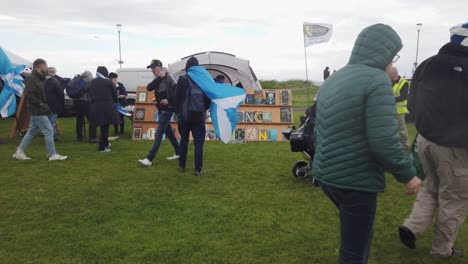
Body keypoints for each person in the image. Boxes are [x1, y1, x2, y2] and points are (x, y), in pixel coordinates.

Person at [312, 24, 421, 263]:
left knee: (358, 237)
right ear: (383, 53)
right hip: (356, 181)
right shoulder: (377, 81)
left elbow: (321, 128)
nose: (392, 62)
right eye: (392, 56)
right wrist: (408, 175)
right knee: (354, 252)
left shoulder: (334, 79)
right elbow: (384, 141)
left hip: (328, 176)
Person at [398, 22, 468, 258]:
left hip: (425, 140)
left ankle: (412, 226)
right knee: (454, 198)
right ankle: (442, 250)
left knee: (431, 188)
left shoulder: (426, 65)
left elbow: (412, 104)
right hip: (456, 147)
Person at [12, 59, 68, 161]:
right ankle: (52, 155)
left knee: (31, 132)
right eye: (45, 65)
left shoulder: (38, 78)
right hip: (38, 110)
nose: (46, 68)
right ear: (40, 66)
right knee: (49, 130)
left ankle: (19, 152)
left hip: (38, 109)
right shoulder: (32, 78)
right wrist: (42, 105)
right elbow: (31, 96)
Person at [138, 59, 180, 166]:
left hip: (167, 109)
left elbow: (178, 91)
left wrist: (169, 100)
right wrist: (160, 78)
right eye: (151, 68)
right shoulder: (158, 78)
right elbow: (149, 87)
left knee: (158, 134)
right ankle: (179, 152)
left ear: (160, 67)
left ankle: (149, 159)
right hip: (161, 109)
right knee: (169, 133)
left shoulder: (169, 77)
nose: (152, 70)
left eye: (153, 67)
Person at [174, 57, 211, 175]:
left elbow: (176, 99)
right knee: (198, 143)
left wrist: (179, 112)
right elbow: (207, 99)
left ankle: (182, 165)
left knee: (184, 141)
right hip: (198, 116)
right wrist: (202, 110)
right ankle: (198, 169)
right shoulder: (202, 79)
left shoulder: (182, 79)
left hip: (184, 117)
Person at [89, 66, 120, 152]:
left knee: (103, 126)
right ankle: (102, 147)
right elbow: (115, 96)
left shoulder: (92, 82)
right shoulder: (108, 82)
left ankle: (106, 143)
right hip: (107, 107)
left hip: (95, 106)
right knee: (105, 128)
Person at [386, 66, 410, 150]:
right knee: (391, 129)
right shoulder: (389, 82)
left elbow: (403, 96)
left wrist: (389, 99)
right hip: (390, 110)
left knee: (401, 129)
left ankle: (405, 145)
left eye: (389, 74)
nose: (387, 75)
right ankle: (395, 144)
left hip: (399, 111)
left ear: (395, 73)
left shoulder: (403, 82)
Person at [73, 70, 98, 143]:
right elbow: (92, 91)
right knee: (92, 119)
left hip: (76, 102)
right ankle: (92, 137)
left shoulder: (78, 79)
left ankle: (79, 137)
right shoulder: (90, 80)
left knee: (79, 120)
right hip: (86, 101)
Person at [44, 66, 64, 141]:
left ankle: (49, 135)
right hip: (53, 104)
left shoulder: (41, 80)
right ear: (54, 73)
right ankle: (52, 137)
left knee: (46, 121)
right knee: (52, 121)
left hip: (43, 104)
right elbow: (61, 93)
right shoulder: (55, 81)